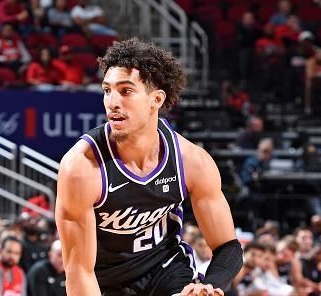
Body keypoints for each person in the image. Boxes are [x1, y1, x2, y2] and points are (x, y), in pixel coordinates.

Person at [55, 38, 243, 296]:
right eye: (107, 90)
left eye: (126, 91)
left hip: (165, 271)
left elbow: (228, 248)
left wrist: (210, 287)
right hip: (104, 282)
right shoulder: (81, 168)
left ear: (156, 99)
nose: (112, 102)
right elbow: (79, 271)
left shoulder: (191, 161)